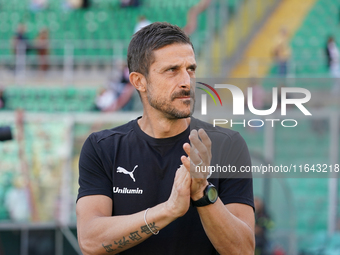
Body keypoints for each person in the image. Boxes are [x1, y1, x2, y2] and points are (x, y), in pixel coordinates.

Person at [77, 22, 255, 255]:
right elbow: (90, 241)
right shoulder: (103, 147)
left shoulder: (226, 145)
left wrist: (202, 193)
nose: (186, 81)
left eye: (190, 69)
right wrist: (168, 210)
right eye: (172, 70)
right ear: (139, 81)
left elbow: (243, 250)